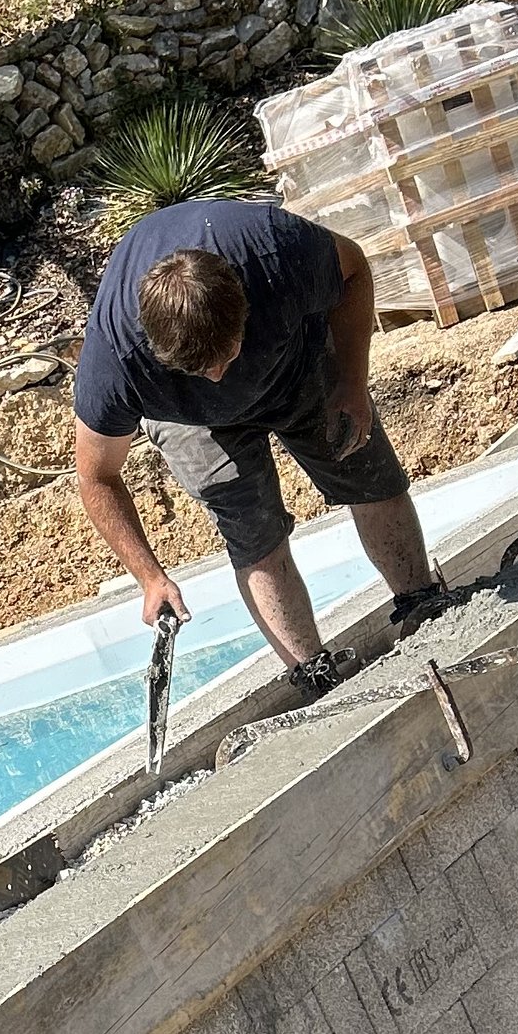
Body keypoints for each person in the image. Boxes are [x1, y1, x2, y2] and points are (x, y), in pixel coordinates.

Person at [72, 196, 445, 690]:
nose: (218, 377)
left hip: (295, 363)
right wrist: (150, 577)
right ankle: (315, 674)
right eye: (199, 370)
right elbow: (97, 477)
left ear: (246, 309)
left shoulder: (274, 251)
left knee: (363, 466)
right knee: (252, 526)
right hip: (188, 418)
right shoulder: (115, 365)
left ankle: (424, 604)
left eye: (225, 357)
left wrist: (351, 381)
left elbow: (355, 272)